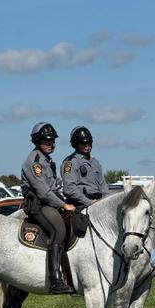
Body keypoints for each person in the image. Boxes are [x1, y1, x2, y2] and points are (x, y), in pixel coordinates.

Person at [21, 122, 76, 294]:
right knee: (58, 230)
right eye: (46, 140)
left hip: (49, 202)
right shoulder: (34, 162)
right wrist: (63, 204)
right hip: (39, 205)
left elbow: (54, 187)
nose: (50, 144)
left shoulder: (48, 161)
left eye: (52, 140)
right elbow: (44, 191)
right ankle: (55, 280)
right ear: (37, 141)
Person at [61, 126, 108, 211]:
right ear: (75, 144)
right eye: (83, 143)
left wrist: (107, 201)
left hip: (99, 203)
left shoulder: (95, 162)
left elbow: (103, 186)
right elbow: (69, 188)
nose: (87, 146)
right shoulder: (71, 162)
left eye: (89, 142)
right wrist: (88, 202)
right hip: (80, 205)